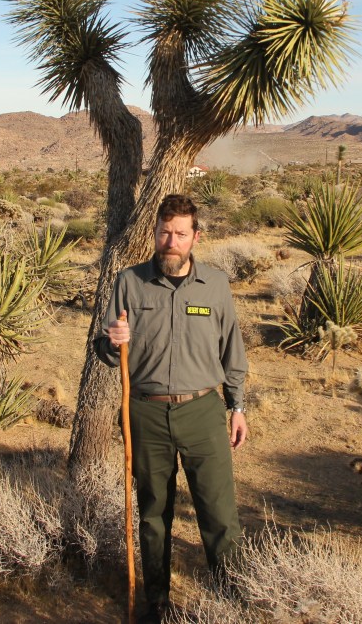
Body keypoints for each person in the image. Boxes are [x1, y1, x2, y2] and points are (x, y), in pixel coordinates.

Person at [94, 193, 248, 623]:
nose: (171, 241)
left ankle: (230, 595)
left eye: (181, 234)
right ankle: (157, 602)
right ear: (154, 233)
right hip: (145, 412)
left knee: (218, 511)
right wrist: (113, 341)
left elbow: (232, 351)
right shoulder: (129, 281)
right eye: (164, 232)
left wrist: (236, 406)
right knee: (153, 513)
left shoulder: (215, 285)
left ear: (195, 237)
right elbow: (104, 352)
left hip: (203, 412)